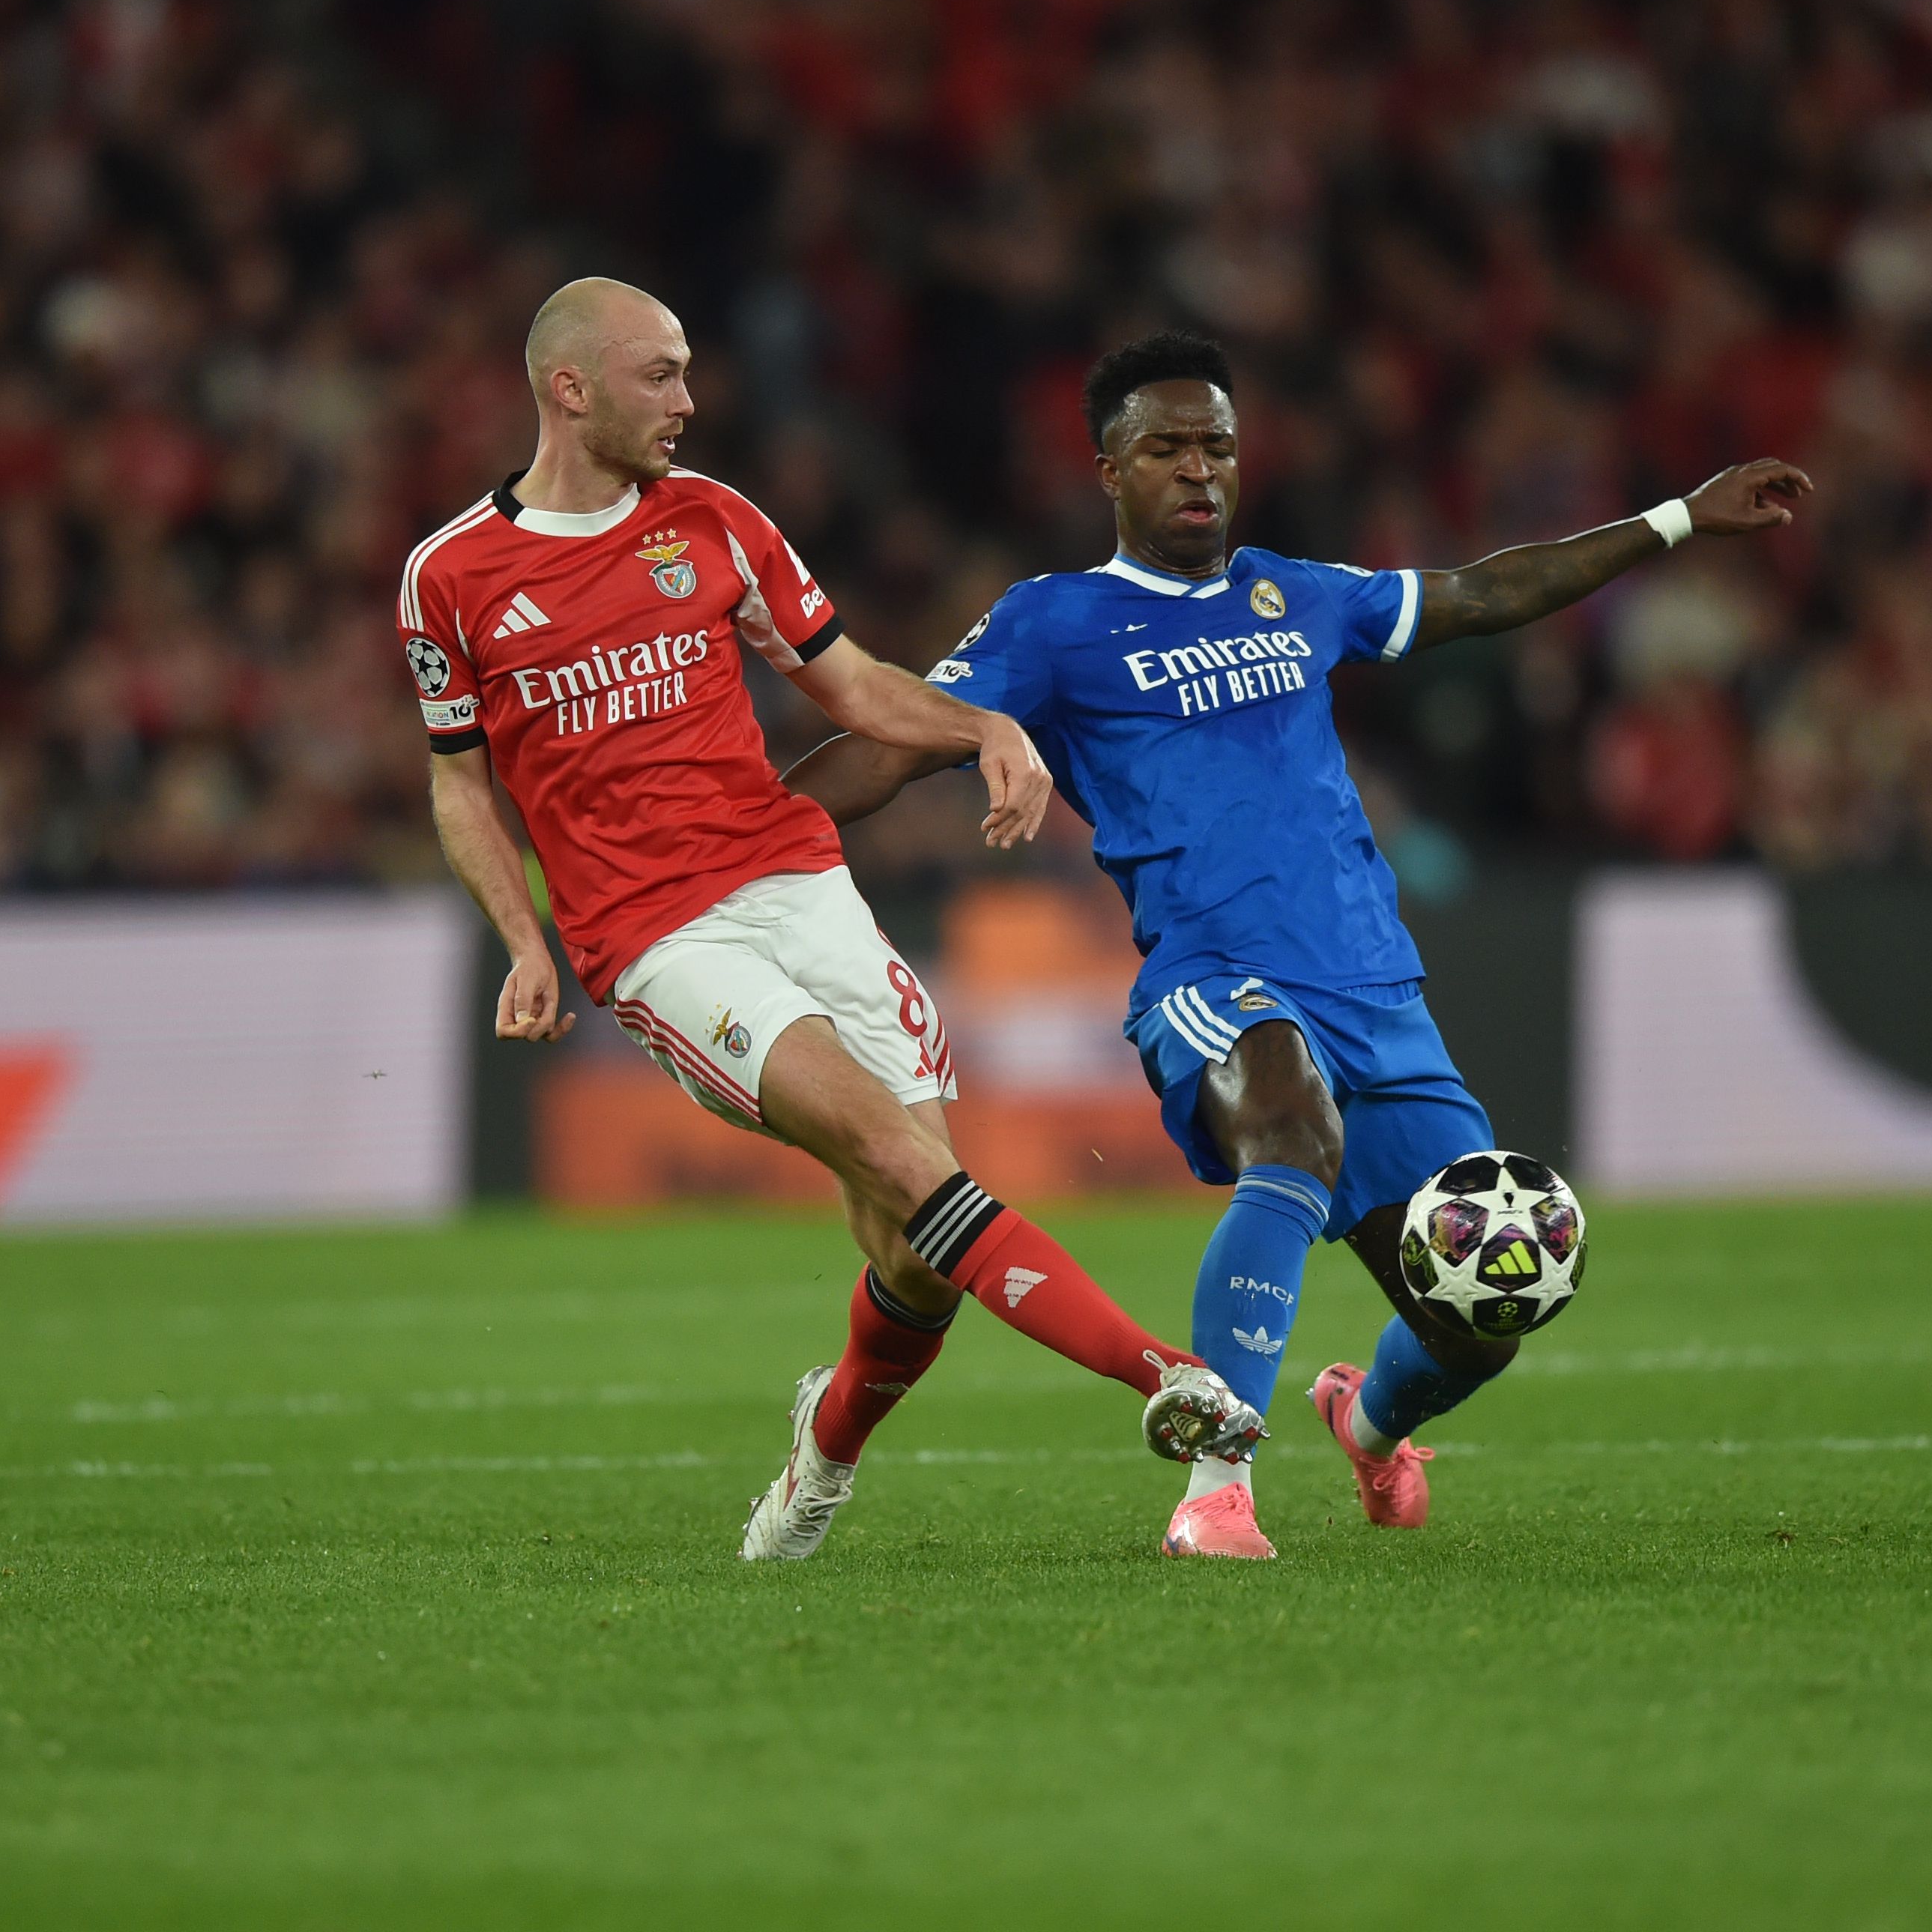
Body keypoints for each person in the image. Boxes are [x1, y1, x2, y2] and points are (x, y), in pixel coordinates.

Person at [784, 330, 1811, 1558]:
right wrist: (711, 838)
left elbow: (1487, 590)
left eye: (1216, 443)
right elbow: (892, 747)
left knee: (1477, 1318)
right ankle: (1215, 1495)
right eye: (1164, 447)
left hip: (1378, 994)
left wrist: (1680, 520)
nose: (1198, 469)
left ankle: (1368, 1424)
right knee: (1291, 1123)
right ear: (1107, 469)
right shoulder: (1053, 625)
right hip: (1217, 976)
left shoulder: (1295, 593)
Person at [406, 281, 1261, 1563]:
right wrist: (526, 939)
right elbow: (459, 775)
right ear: (569, 389)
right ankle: (1166, 1378)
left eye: (689, 371)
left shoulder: (720, 523)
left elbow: (850, 685)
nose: (689, 400)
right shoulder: (453, 574)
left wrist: (987, 727)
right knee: (909, 1163)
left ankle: (824, 1449)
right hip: (655, 940)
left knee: (913, 1246)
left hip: (799, 885)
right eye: (660, 375)